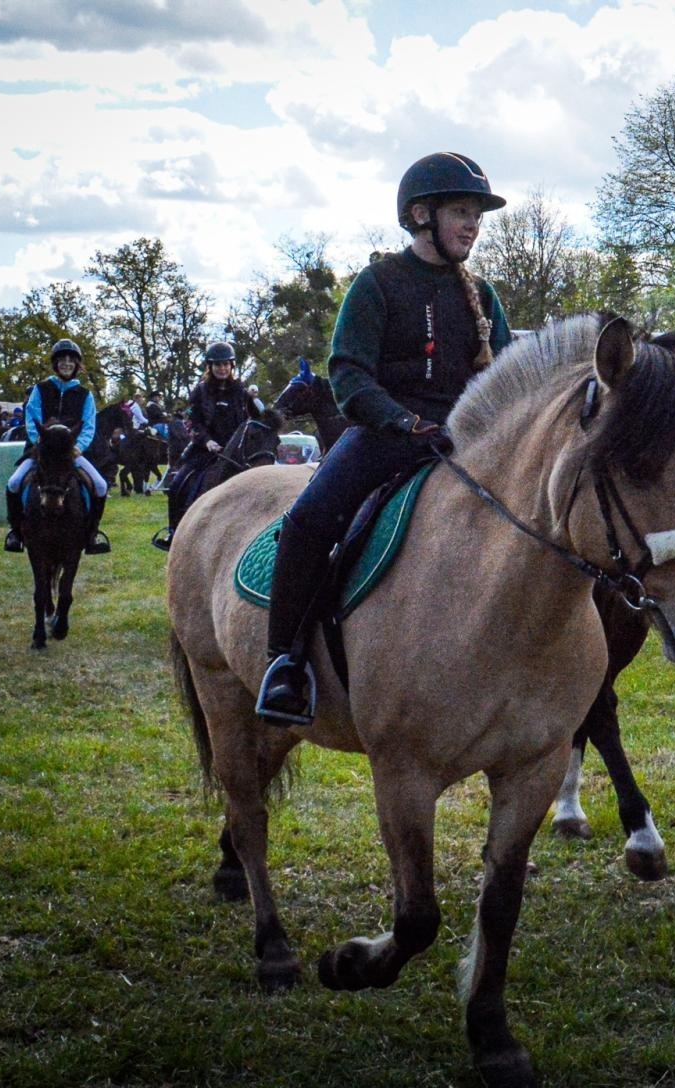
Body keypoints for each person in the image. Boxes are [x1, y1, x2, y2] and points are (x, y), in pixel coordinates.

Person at [256, 151, 511, 725]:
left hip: (469, 442)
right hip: (386, 435)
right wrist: (405, 422)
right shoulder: (377, 285)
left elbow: (509, 374)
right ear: (422, 215)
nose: (473, 224)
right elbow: (347, 372)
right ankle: (285, 666)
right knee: (307, 521)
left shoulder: (485, 297)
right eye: (462, 212)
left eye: (478, 215)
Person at [3, 338, 111, 554]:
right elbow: (32, 418)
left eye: (71, 360)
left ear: (77, 365)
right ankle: (16, 533)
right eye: (63, 359)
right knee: (13, 483)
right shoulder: (40, 389)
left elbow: (89, 424)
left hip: (71, 452)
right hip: (41, 451)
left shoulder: (85, 394)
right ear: (56, 363)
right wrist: (41, 443)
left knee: (100, 485)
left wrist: (78, 446)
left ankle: (92, 535)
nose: (67, 363)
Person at [154, 342, 258, 547]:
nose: (222, 368)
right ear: (210, 367)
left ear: (232, 366)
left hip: (235, 451)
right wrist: (207, 441)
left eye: (226, 364)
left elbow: (254, 418)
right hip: (206, 451)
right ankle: (174, 533)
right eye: (217, 364)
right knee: (176, 485)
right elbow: (191, 421)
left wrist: (254, 401)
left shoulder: (241, 392)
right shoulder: (200, 391)